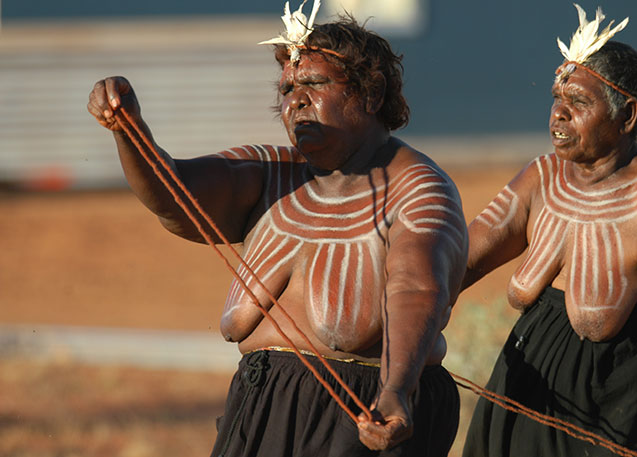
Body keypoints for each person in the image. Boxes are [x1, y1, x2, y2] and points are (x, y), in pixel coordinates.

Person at [86, 3, 468, 456]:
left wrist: (396, 390)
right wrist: (130, 131)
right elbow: (174, 194)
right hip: (261, 406)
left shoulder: (418, 189)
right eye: (287, 88)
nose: (294, 100)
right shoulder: (271, 173)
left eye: (313, 83)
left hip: (365, 413)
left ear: (371, 92)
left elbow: (416, 286)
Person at [461, 5, 637, 457]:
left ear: (626, 115)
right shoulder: (540, 179)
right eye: (557, 98)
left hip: (626, 399)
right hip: (529, 381)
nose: (558, 115)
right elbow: (461, 261)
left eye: (579, 103)